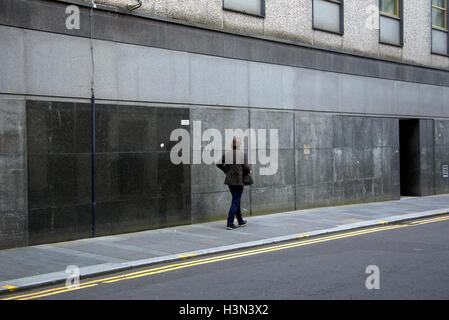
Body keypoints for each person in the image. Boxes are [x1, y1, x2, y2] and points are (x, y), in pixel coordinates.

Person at [216, 138, 253, 230]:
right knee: (235, 200)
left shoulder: (227, 154)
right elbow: (246, 167)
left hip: (229, 180)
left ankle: (240, 221)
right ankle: (230, 223)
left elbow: (218, 164)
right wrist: (249, 170)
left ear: (231, 144)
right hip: (238, 180)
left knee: (236, 199)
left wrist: (226, 171)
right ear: (239, 144)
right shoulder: (242, 154)